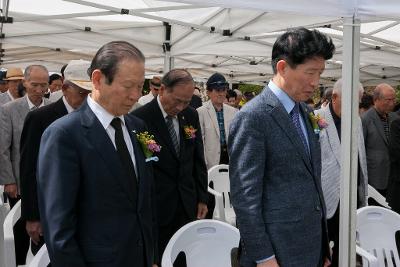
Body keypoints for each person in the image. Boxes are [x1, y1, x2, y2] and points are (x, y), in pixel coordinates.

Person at [37, 41, 157, 267]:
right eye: (128, 85)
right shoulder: (64, 135)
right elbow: (59, 231)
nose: (135, 95)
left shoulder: (138, 127)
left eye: (140, 86)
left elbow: (146, 198)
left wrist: (152, 255)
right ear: (98, 79)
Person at [229, 27, 335, 267]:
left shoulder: (306, 112)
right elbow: (245, 199)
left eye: (320, 73)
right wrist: (264, 258)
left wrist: (323, 249)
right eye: (310, 72)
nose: (316, 83)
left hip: (311, 248)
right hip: (277, 252)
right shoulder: (253, 117)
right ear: (282, 67)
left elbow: (311, 181)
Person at [132, 69, 208, 266]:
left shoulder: (190, 116)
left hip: (186, 202)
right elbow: (144, 164)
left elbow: (197, 158)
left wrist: (202, 197)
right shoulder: (141, 119)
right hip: (158, 204)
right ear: (163, 90)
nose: (181, 107)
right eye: (177, 100)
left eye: (187, 101)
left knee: (186, 256)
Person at [19, 60, 92, 255]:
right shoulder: (40, 118)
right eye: (83, 93)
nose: (88, 98)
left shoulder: (94, 117)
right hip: (50, 212)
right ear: (66, 88)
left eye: (91, 93)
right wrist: (32, 216)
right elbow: (29, 169)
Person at [0, 64, 50, 265]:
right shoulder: (9, 110)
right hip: (20, 181)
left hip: (48, 180)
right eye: (34, 85)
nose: (39, 90)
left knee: (45, 233)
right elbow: (3, 148)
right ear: (25, 83)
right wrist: (9, 181)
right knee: (20, 230)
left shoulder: (52, 107)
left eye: (43, 85)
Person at [315, 79, 368, 267]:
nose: (356, 106)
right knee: (321, 248)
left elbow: (360, 155)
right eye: (352, 101)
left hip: (351, 195)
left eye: (359, 101)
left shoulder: (357, 121)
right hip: (327, 196)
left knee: (345, 245)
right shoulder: (316, 118)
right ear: (335, 97)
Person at [362, 83, 397, 197]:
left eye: (394, 99)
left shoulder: (395, 118)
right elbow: (360, 150)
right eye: (388, 100)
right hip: (375, 178)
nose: (392, 103)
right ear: (376, 100)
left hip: (394, 177)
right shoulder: (365, 119)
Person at [197, 73, 238, 169]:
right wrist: (204, 163)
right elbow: (200, 141)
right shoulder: (200, 112)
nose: (221, 93)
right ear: (209, 92)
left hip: (230, 157)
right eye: (217, 90)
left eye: (224, 90)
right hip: (210, 160)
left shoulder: (233, 111)